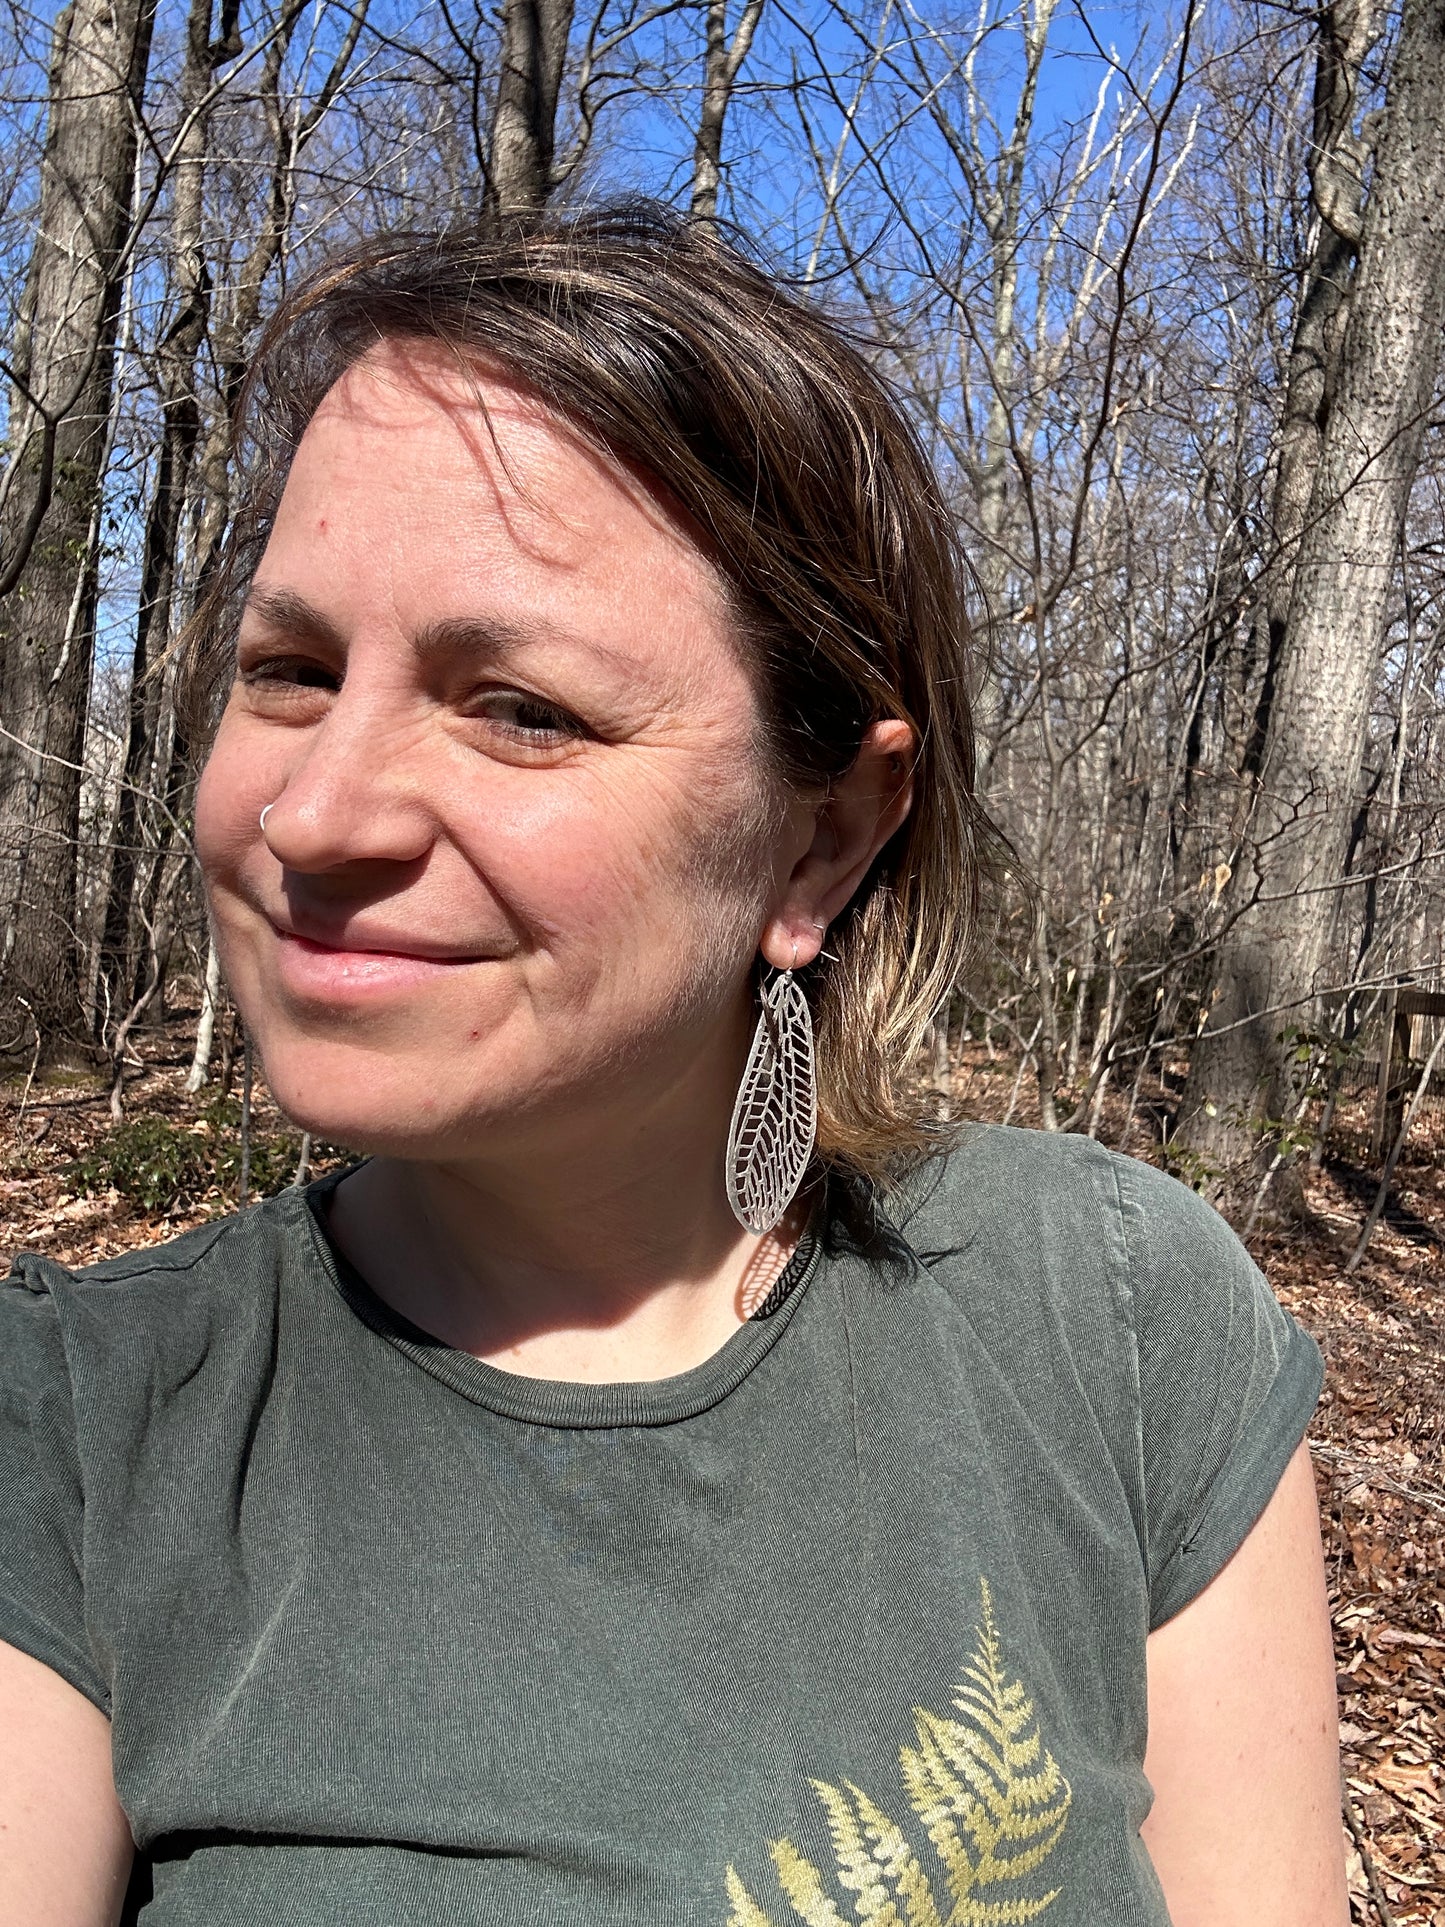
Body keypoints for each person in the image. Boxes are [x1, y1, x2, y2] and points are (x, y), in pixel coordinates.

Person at [0, 203, 1346, 1927]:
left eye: (521, 708)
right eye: (290, 670)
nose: (314, 814)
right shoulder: (85, 1438)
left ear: (822, 846)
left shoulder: (1113, 1321)